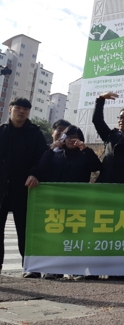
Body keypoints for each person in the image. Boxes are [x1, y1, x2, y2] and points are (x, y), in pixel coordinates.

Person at [0, 98, 47, 278]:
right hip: (2, 187)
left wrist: (35, 173)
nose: (22, 112)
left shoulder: (35, 134)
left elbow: (42, 158)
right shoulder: (2, 131)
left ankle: (30, 266)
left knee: (25, 229)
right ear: (10, 109)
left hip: (25, 188)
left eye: (26, 109)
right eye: (18, 108)